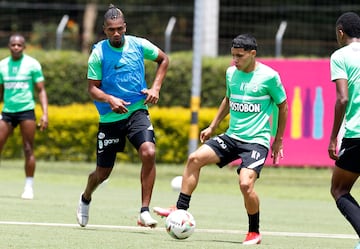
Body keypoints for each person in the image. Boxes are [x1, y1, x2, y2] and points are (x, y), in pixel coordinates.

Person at [154, 34, 288, 245]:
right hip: (232, 136)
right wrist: (213, 126)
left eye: (239, 56)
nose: (235, 60)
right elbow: (228, 98)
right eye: (233, 55)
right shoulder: (231, 73)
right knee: (194, 158)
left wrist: (278, 140)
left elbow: (283, 105)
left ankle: (254, 231)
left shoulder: (270, 77)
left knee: (245, 185)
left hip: (256, 141)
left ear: (253, 54)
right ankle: (179, 209)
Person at [76, 4, 169, 228]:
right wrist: (110, 99)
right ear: (104, 30)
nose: (116, 33)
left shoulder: (139, 44)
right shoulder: (98, 53)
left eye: (119, 28)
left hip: (137, 110)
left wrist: (155, 88)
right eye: (111, 30)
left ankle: (144, 211)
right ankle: (85, 197)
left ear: (125, 27)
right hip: (110, 118)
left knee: (149, 152)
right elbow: (92, 89)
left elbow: (164, 60)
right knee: (103, 173)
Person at [0, 34, 48, 200]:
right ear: (9, 46)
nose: (16, 47)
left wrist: (45, 114)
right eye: (13, 45)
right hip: (7, 112)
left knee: (28, 148)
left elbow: (41, 90)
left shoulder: (32, 64)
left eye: (19, 45)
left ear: (24, 47)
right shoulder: (2, 66)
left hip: (26, 111)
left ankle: (29, 187)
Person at [328, 12, 360, 249]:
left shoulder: (340, 56)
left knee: (339, 189)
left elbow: (342, 99)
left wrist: (332, 138)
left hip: (357, 134)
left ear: (341, 32)